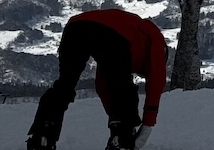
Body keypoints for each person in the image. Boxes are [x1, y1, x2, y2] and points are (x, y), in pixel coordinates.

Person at [26, 8, 167, 150]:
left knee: (64, 85)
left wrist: (115, 116)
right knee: (123, 88)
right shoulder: (157, 42)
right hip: (111, 34)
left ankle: (42, 135)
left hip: (75, 27)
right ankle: (121, 140)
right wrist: (147, 125)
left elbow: (102, 85)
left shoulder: (133, 39)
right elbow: (156, 82)